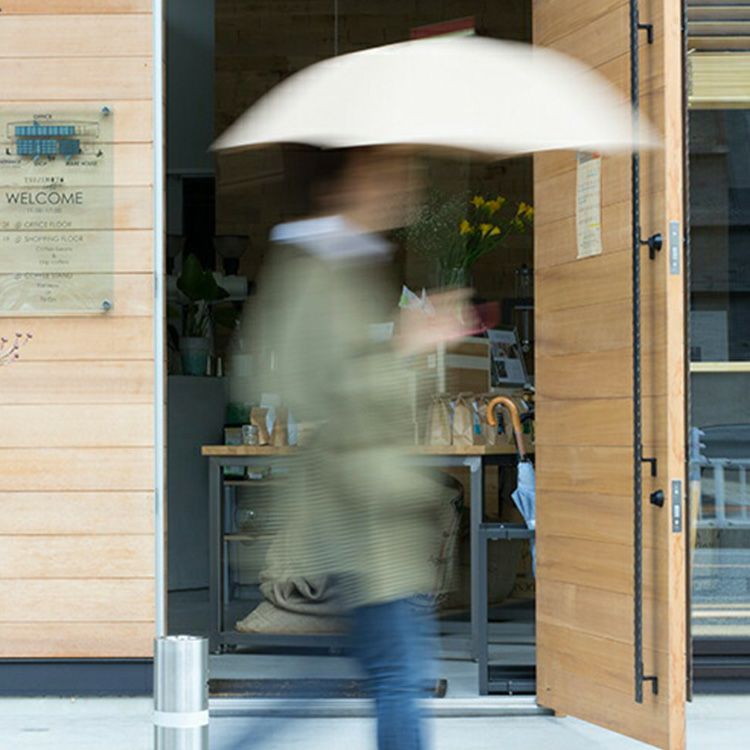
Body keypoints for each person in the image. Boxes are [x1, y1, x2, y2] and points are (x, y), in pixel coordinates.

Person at [243, 147, 472, 750]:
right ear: (343, 185)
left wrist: (405, 347)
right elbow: (327, 389)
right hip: (362, 519)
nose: (401, 189)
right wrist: (406, 348)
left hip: (368, 517)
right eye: (385, 175)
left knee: (360, 676)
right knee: (397, 675)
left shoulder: (350, 265)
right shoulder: (319, 272)